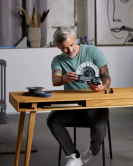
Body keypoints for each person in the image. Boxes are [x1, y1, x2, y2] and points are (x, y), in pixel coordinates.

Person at [47, 27, 111, 166]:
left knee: (99, 128)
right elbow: (55, 79)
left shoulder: (93, 51)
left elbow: (106, 77)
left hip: (96, 103)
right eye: (64, 48)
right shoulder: (57, 60)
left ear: (76, 40)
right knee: (52, 120)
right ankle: (73, 155)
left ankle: (91, 151)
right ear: (57, 46)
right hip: (72, 105)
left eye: (71, 45)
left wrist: (103, 86)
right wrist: (64, 79)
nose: (70, 50)